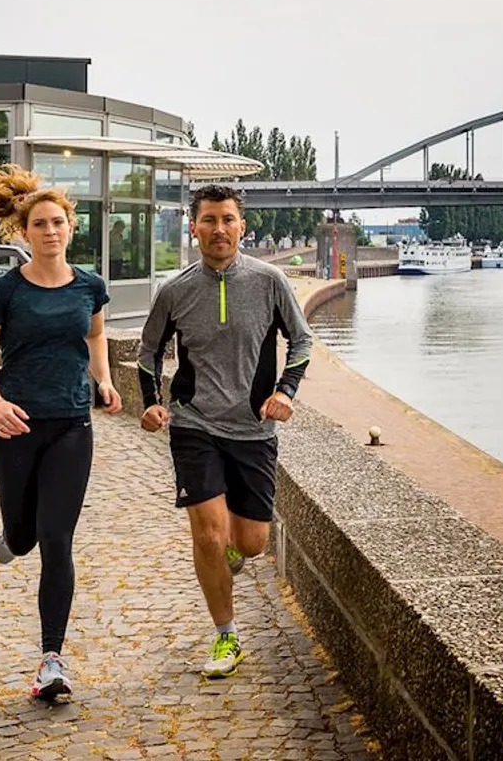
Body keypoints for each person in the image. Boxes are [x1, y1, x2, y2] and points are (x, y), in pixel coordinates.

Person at [0, 164, 122, 703]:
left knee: (57, 539)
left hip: (72, 425)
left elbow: (96, 337)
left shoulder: (90, 287)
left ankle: (51, 659)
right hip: (15, 426)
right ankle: (11, 537)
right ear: (23, 233)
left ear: (70, 228)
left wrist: (103, 380)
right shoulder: (5, 290)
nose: (50, 231)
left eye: (58, 222)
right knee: (25, 537)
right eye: (40, 224)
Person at [137, 184, 313, 678]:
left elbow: (301, 340)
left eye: (228, 219)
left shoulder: (270, 281)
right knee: (209, 537)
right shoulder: (174, 291)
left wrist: (285, 392)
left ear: (242, 226)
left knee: (252, 542)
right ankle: (226, 636)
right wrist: (152, 404)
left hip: (253, 430)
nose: (219, 228)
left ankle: (236, 552)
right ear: (194, 228)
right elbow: (149, 353)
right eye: (209, 220)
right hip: (195, 425)